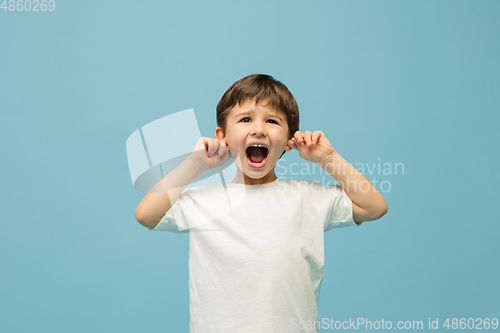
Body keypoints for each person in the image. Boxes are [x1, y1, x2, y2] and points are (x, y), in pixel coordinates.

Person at [135, 74, 388, 332]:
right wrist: (195, 164)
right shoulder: (203, 201)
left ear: (290, 139)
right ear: (222, 135)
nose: (258, 129)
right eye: (245, 119)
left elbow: (374, 207)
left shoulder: (308, 197)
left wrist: (329, 158)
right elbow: (146, 215)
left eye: (272, 121)